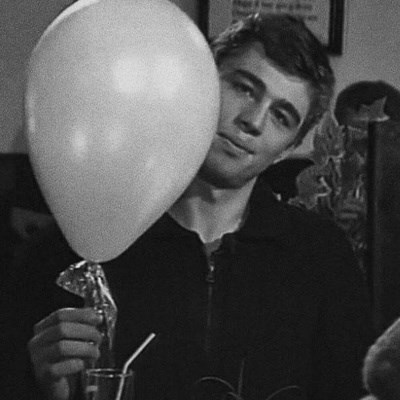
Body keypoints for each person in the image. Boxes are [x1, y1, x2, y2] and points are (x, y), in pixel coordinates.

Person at [1, 14, 373, 400]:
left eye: (281, 116)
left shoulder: (321, 257)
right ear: (197, 85)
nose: (252, 121)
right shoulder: (66, 250)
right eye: (244, 88)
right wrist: (42, 388)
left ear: (288, 149)